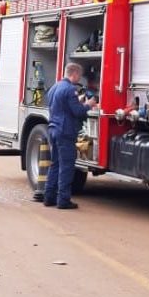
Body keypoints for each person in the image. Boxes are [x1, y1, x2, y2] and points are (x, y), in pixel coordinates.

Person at [42, 63, 97, 210]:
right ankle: (63, 200)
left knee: (55, 164)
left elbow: (58, 105)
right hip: (65, 131)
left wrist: (76, 101)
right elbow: (78, 112)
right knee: (66, 166)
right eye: (79, 76)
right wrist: (89, 104)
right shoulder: (70, 89)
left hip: (53, 128)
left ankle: (49, 197)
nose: (79, 79)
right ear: (75, 74)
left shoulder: (55, 87)